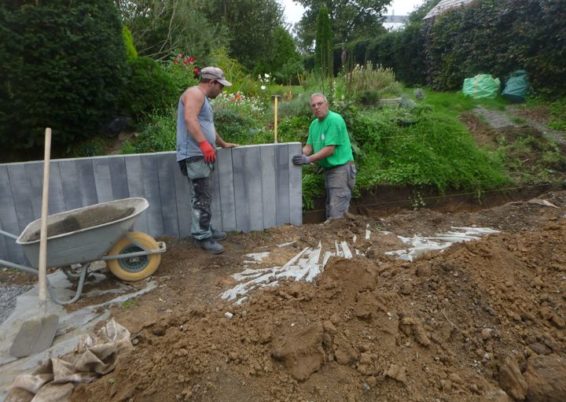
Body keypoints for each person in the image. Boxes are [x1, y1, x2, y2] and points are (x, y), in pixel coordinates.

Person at [176, 66, 237, 254]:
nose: (222, 91)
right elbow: (190, 119)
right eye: (221, 86)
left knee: (204, 195)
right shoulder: (195, 93)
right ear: (212, 82)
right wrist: (203, 144)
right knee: (201, 197)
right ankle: (202, 236)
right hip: (194, 154)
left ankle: (205, 229)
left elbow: (207, 126)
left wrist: (222, 143)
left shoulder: (203, 99)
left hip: (200, 154)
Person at [292, 93, 356, 219]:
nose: (317, 107)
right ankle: (335, 236)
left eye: (320, 104)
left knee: (337, 211)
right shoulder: (314, 125)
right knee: (331, 207)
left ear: (327, 104)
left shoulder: (334, 120)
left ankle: (342, 237)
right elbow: (309, 147)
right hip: (329, 170)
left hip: (341, 169)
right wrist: (297, 153)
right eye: (313, 105)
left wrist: (308, 159)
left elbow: (329, 149)